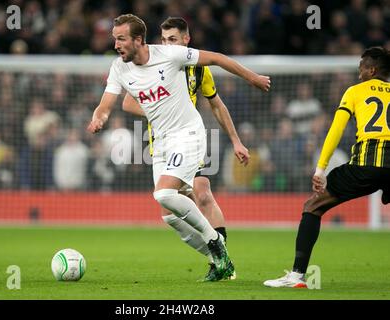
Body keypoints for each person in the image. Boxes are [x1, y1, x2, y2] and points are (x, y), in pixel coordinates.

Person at [87, 14, 270, 281]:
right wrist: (98, 118)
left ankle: (215, 241)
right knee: (170, 216)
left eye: (121, 39)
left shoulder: (171, 56)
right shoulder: (119, 68)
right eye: (114, 39)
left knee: (168, 194)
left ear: (138, 40)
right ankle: (220, 261)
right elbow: (107, 104)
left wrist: (252, 78)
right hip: (159, 143)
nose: (116, 44)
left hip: (188, 135)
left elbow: (218, 58)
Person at [264, 46, 390, 288]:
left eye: (361, 67)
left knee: (312, 205)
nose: (358, 72)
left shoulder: (355, 91)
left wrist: (320, 168)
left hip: (366, 164)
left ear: (372, 70)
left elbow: (336, 129)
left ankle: (297, 276)